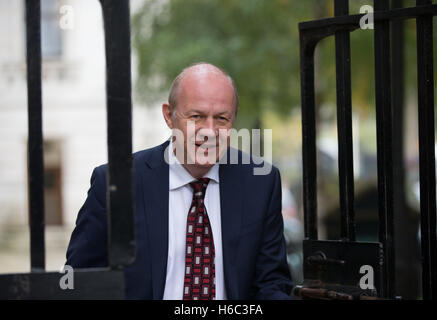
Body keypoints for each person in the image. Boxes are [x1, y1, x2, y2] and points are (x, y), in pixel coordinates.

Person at [66, 62, 293, 300]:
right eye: (196, 117)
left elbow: (272, 283)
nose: (209, 131)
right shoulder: (115, 183)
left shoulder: (261, 182)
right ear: (169, 116)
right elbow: (79, 280)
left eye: (222, 119)